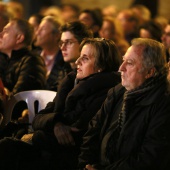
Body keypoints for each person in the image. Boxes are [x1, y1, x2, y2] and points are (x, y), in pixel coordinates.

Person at [0, 38, 121, 170]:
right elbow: (39, 118)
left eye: (85, 58)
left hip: (66, 158)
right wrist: (56, 123)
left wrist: (38, 135)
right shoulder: (70, 84)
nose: (77, 62)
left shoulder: (105, 94)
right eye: (79, 56)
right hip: (48, 149)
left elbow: (73, 136)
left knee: (7, 148)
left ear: (101, 66)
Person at [78, 38, 170, 170]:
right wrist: (85, 164)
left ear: (150, 72)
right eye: (123, 60)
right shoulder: (118, 91)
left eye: (130, 63)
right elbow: (93, 130)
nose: (121, 68)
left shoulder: (163, 104)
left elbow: (149, 158)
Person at [0, 18, 46, 137]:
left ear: (19, 38)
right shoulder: (3, 59)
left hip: (18, 127)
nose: (0, 34)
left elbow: (17, 102)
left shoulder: (32, 61)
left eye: (6, 31)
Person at [34, 15, 71, 91]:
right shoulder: (34, 57)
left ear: (57, 35)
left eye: (42, 29)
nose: (37, 32)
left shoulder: (65, 60)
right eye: (38, 29)